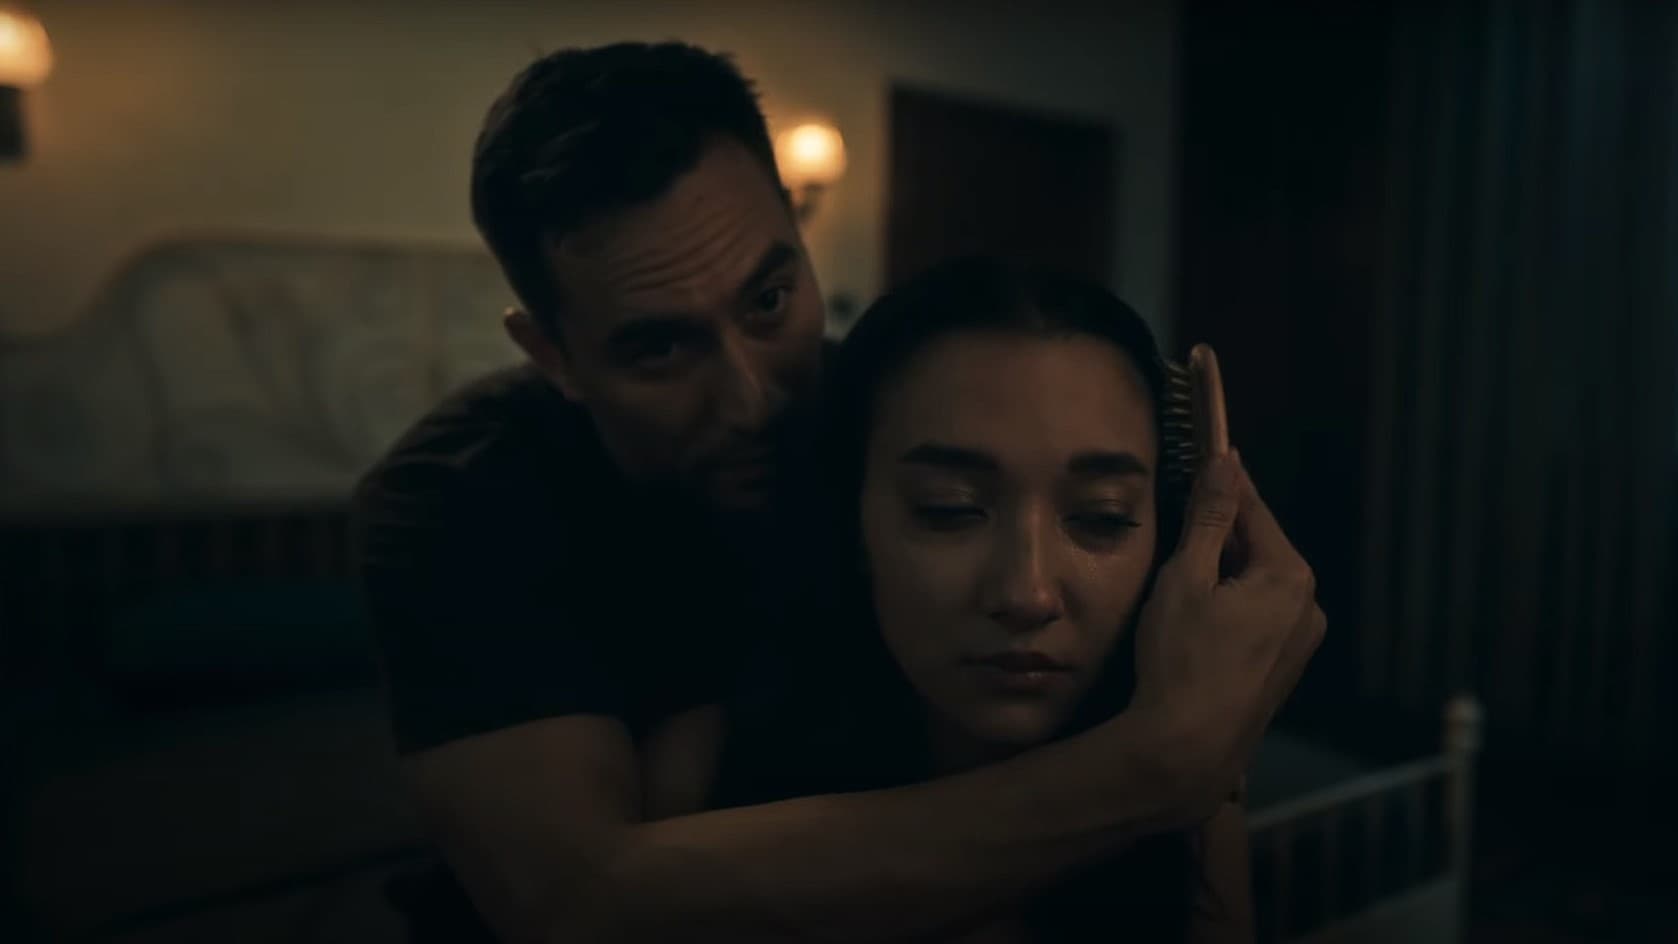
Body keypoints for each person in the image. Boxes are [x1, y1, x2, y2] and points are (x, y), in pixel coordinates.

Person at [353, 40, 1324, 944]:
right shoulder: (461, 496)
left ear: (796, 228)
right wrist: (1155, 767)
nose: (753, 398)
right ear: (552, 354)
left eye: (770, 300)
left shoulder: (874, 405)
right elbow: (578, 896)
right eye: (658, 348)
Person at [702, 257, 1255, 943]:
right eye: (950, 509)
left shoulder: (1196, 813)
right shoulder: (704, 774)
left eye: (1102, 517)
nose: (1027, 594)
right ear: (852, 518)